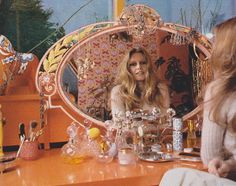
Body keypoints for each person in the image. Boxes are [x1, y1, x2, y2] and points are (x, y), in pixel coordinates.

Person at [160, 17, 236, 186]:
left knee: (175, 177)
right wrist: (230, 164)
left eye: (215, 43)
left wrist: (223, 164)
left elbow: (210, 158)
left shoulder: (220, 91)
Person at [111, 47, 170, 119]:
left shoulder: (161, 88)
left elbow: (166, 120)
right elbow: (119, 123)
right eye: (133, 64)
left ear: (148, 66)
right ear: (127, 69)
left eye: (143, 63)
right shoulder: (118, 92)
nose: (139, 67)